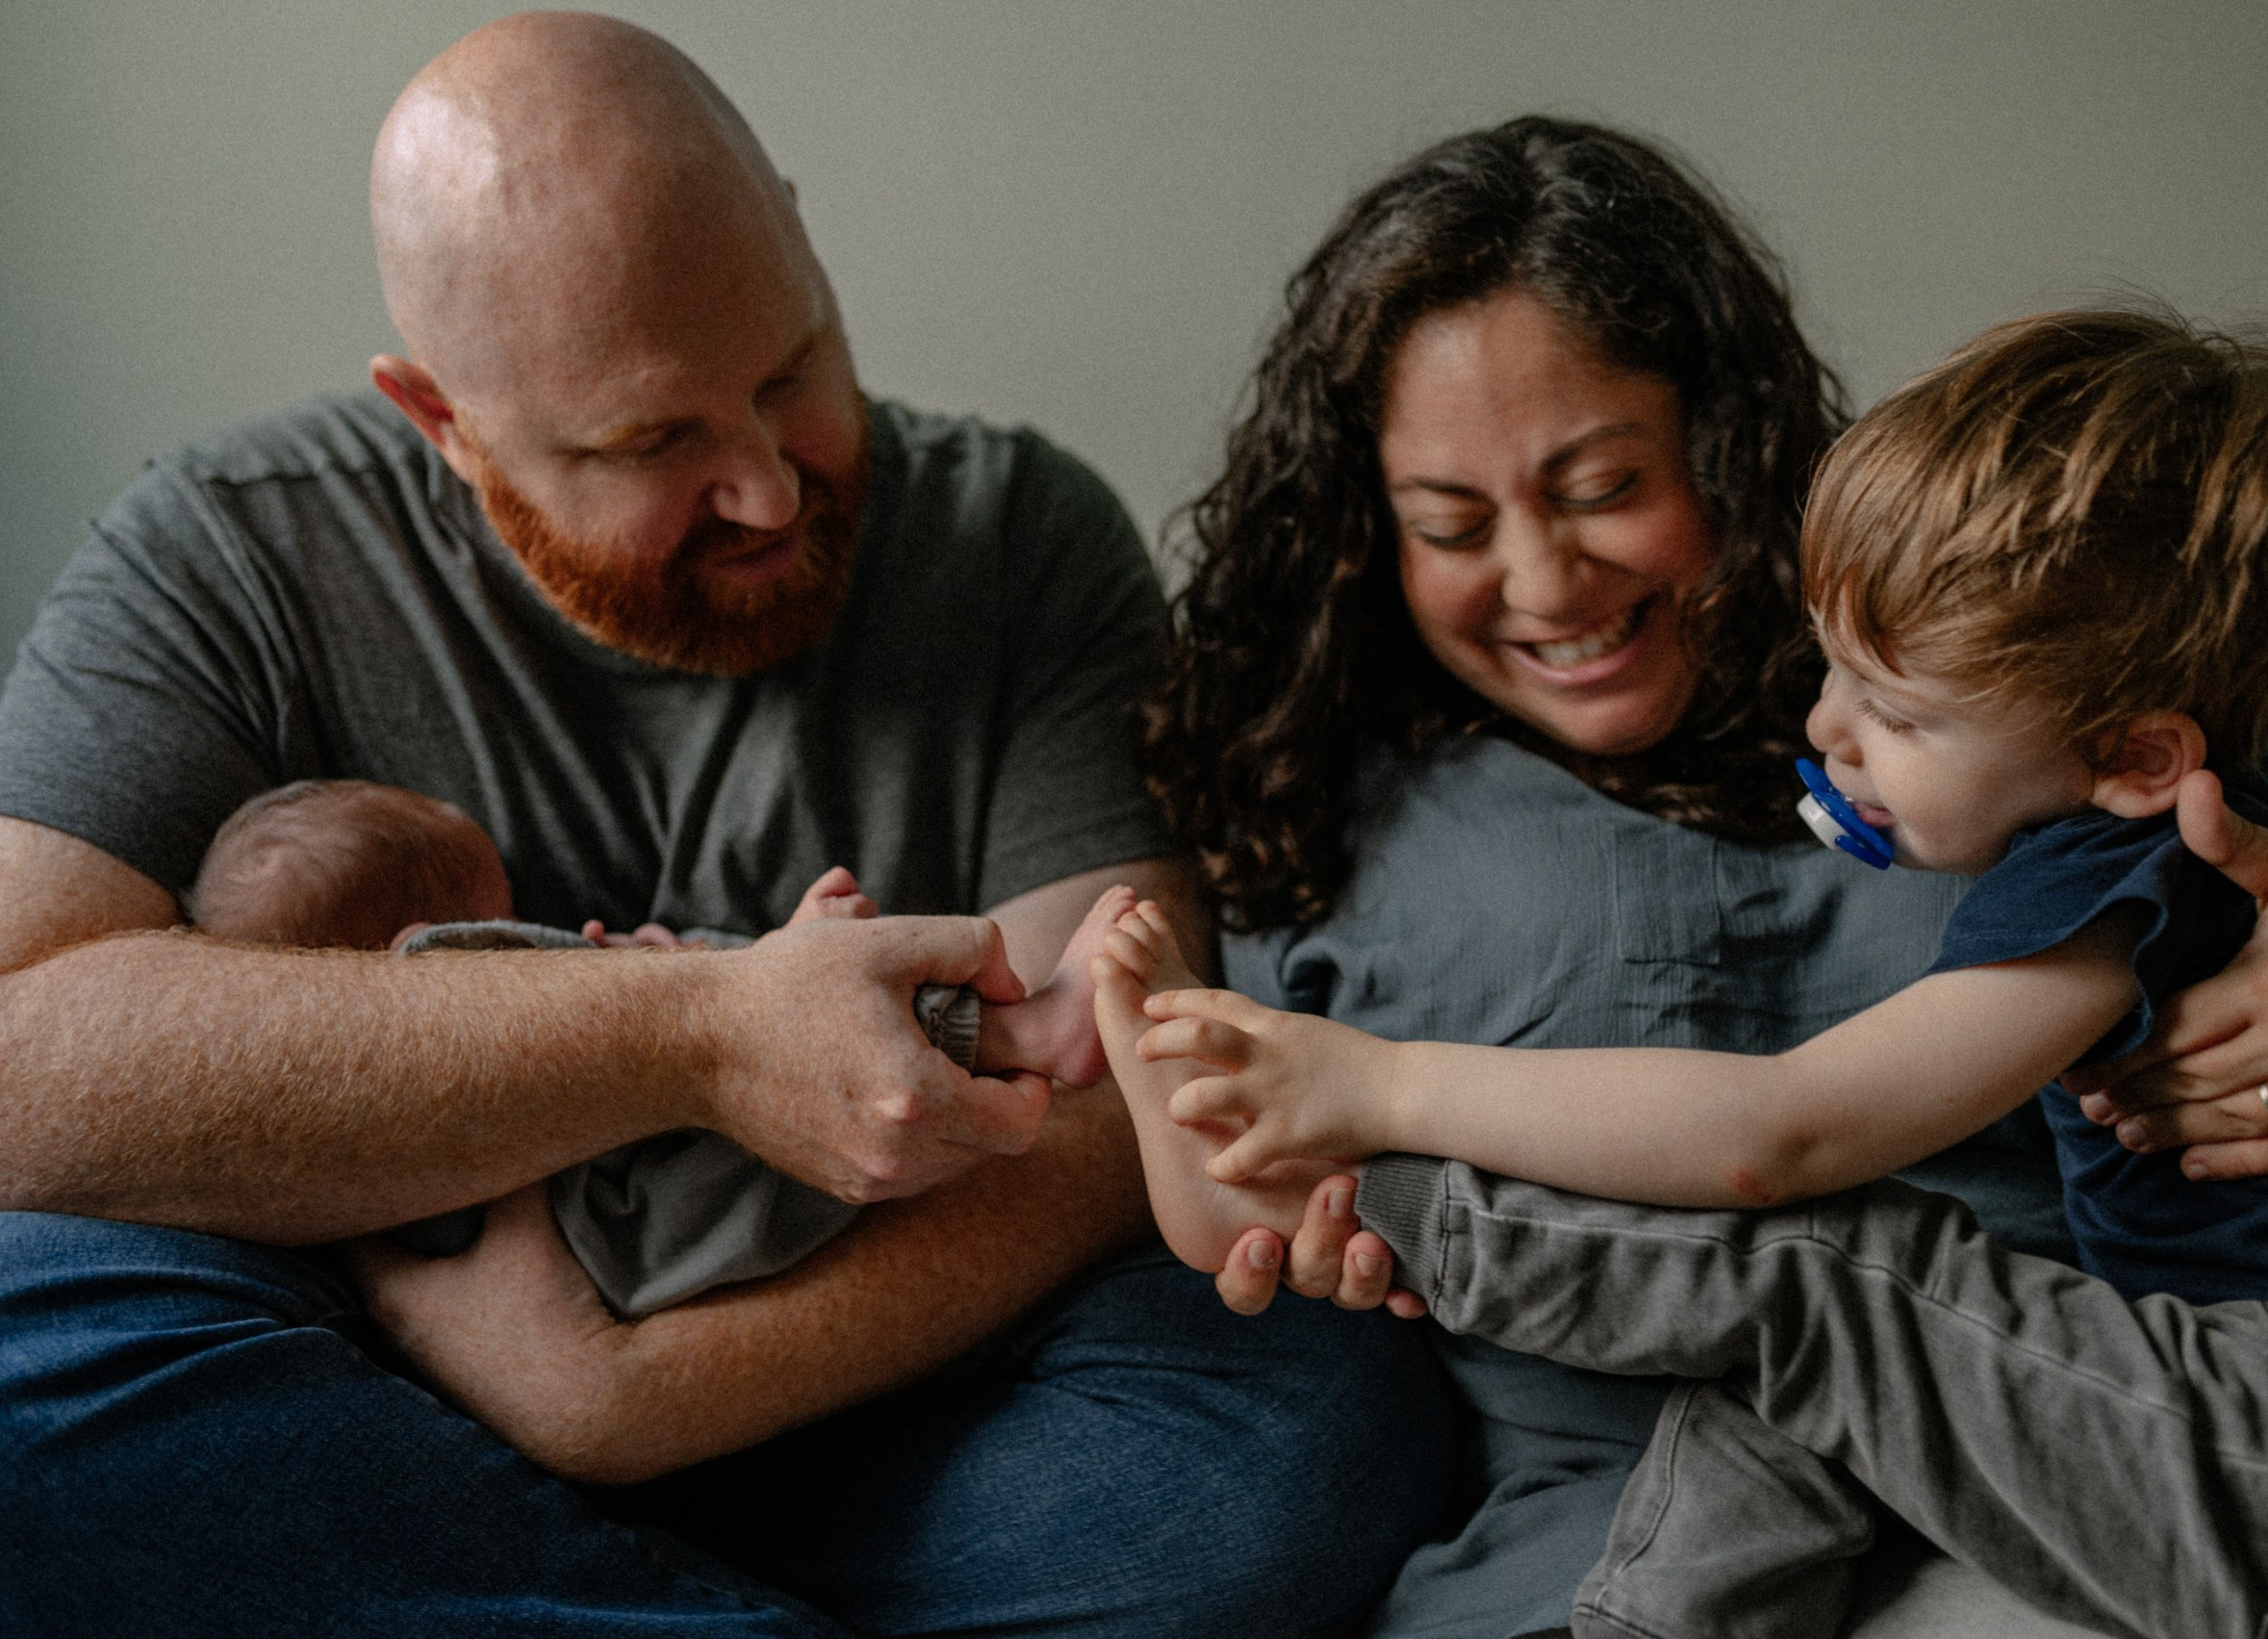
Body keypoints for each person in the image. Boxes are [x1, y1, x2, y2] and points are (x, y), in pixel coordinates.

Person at [0, 14, 1450, 1638]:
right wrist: (695, 1031)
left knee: (1308, 1438)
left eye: (790, 372)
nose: (769, 484)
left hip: (878, 1406)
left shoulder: (1018, 535)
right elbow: (19, 1055)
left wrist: (615, 1395)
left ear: (803, 237)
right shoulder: (229, 554)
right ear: (443, 420)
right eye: (653, 441)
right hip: (383, 1395)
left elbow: (1115, 1110)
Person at [1135, 116, 2268, 1639]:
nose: (1549, 581)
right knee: (1801, 1381)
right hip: (1921, 1449)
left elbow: (1784, 1145)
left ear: (1724, 441)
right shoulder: (1330, 802)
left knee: (1836, 1273)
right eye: (1450, 524)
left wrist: (1377, 1097)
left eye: (1603, 483)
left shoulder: (2074, 776)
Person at [191, 776, 1128, 1318]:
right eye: (504, 926)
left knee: (774, 1033)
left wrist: (688, 970)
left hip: (619, 1223)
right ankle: (1030, 1028)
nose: (536, 938)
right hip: (626, 1228)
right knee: (815, 1069)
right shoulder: (431, 976)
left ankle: (823, 975)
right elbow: (623, 1022)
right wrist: (707, 976)